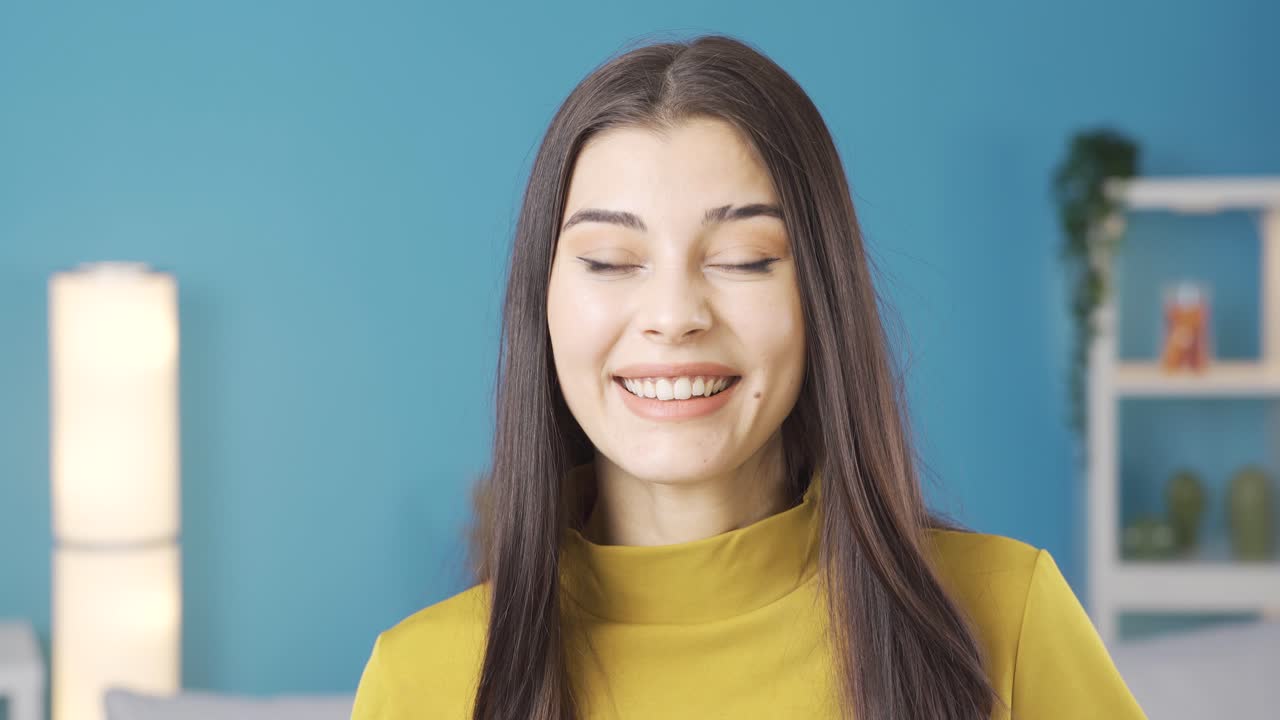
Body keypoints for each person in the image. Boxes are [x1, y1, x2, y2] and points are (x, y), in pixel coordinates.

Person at [351, 33, 1147, 720]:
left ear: (820, 300)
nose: (674, 314)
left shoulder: (1006, 617)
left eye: (743, 260)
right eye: (610, 261)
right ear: (544, 303)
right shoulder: (423, 682)